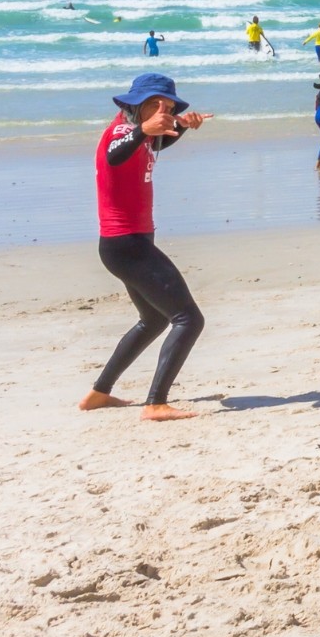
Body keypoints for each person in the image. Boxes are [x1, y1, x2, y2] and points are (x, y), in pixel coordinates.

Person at [79, 74, 211, 421]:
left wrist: (181, 126)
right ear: (136, 105)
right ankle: (156, 403)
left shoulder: (141, 135)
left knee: (153, 319)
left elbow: (153, 143)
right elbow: (115, 155)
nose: (162, 111)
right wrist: (144, 130)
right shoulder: (123, 132)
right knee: (189, 319)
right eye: (155, 104)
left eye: (167, 106)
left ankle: (98, 393)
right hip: (127, 245)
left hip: (129, 243)